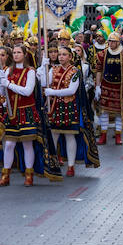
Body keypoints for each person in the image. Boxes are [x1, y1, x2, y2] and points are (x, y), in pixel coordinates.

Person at [0, 42, 47, 185]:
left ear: (24, 55)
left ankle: (29, 175)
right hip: (12, 112)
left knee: (27, 144)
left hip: (26, 111)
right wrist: (2, 83)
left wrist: (8, 84)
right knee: (9, 144)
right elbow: (3, 93)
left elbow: (27, 91)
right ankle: (5, 175)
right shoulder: (8, 71)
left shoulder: (30, 71)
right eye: (14, 53)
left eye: (19, 52)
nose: (16, 55)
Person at [43, 40, 85, 177]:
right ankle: (53, 163)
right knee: (53, 134)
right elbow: (45, 82)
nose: (61, 57)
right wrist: (42, 69)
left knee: (69, 135)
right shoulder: (53, 69)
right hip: (55, 106)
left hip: (68, 105)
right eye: (60, 54)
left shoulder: (75, 72)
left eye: (64, 54)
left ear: (70, 57)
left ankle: (71, 166)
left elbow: (71, 90)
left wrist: (52, 92)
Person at [92, 33, 123, 146]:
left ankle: (118, 135)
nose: (111, 43)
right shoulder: (102, 54)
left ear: (118, 42)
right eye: (110, 41)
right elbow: (99, 70)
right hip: (106, 85)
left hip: (120, 87)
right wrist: (97, 86)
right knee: (104, 111)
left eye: (113, 41)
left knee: (118, 113)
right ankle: (103, 135)